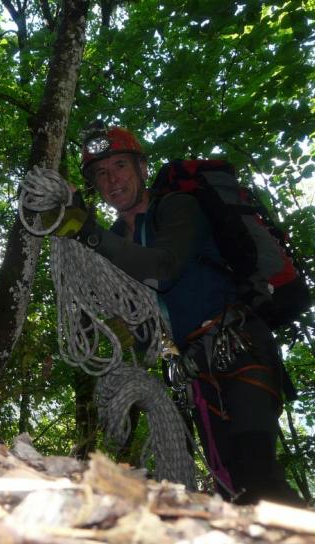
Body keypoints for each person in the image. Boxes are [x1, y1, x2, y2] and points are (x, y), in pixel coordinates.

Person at [68, 123, 302, 506]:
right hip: (195, 371)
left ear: (143, 169)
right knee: (231, 487)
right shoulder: (115, 237)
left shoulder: (177, 207)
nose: (112, 180)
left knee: (257, 473)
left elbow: (164, 269)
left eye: (121, 166)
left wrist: (88, 232)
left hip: (241, 349)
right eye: (102, 174)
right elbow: (116, 313)